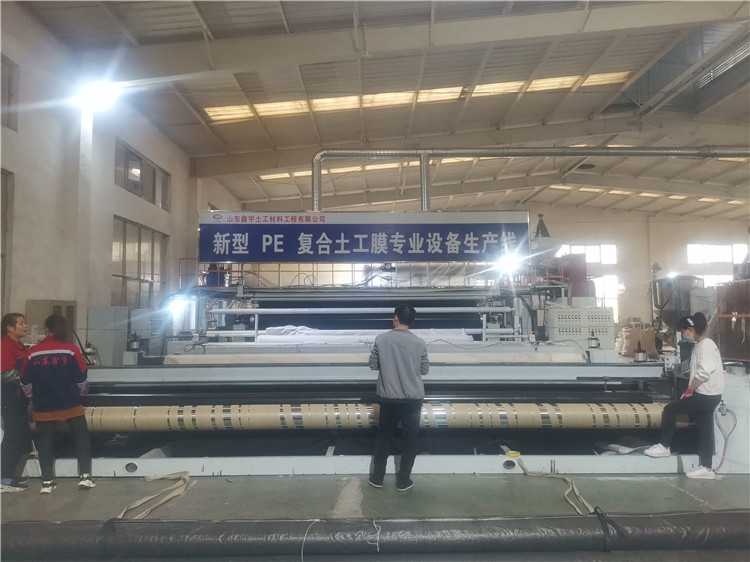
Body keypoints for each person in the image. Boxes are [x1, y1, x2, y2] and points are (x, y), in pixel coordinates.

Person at [19, 314, 95, 493]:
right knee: (81, 438)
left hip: (43, 405)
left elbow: (25, 380)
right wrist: (80, 394)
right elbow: (82, 377)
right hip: (70, 403)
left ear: (46, 330)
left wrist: (32, 398)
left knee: (45, 442)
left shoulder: (33, 353)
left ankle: (47, 482)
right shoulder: (71, 350)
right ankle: (85, 477)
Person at [644, 312, 724, 479]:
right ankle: (707, 468)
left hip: (705, 396)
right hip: (709, 395)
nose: (684, 334)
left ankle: (664, 446)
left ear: (691, 330)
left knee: (670, 409)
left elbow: (704, 373)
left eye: (684, 331)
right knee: (705, 430)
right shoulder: (701, 345)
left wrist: (690, 390)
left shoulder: (706, 346)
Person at [368, 304, 429, 491]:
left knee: (384, 437)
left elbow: (372, 365)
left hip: (389, 399)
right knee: (410, 439)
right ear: (412, 321)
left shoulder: (381, 339)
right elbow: (424, 370)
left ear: (395, 318)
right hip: (413, 400)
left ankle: (377, 479)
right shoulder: (420, 343)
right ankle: (403, 481)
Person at [1, 313, 34, 492]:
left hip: (20, 398)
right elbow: (7, 374)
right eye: (21, 323)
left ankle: (11, 475)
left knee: (21, 437)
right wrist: (29, 381)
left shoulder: (20, 346)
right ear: (10, 328)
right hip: (10, 398)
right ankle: (4, 478)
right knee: (12, 437)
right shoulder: (5, 346)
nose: (25, 326)